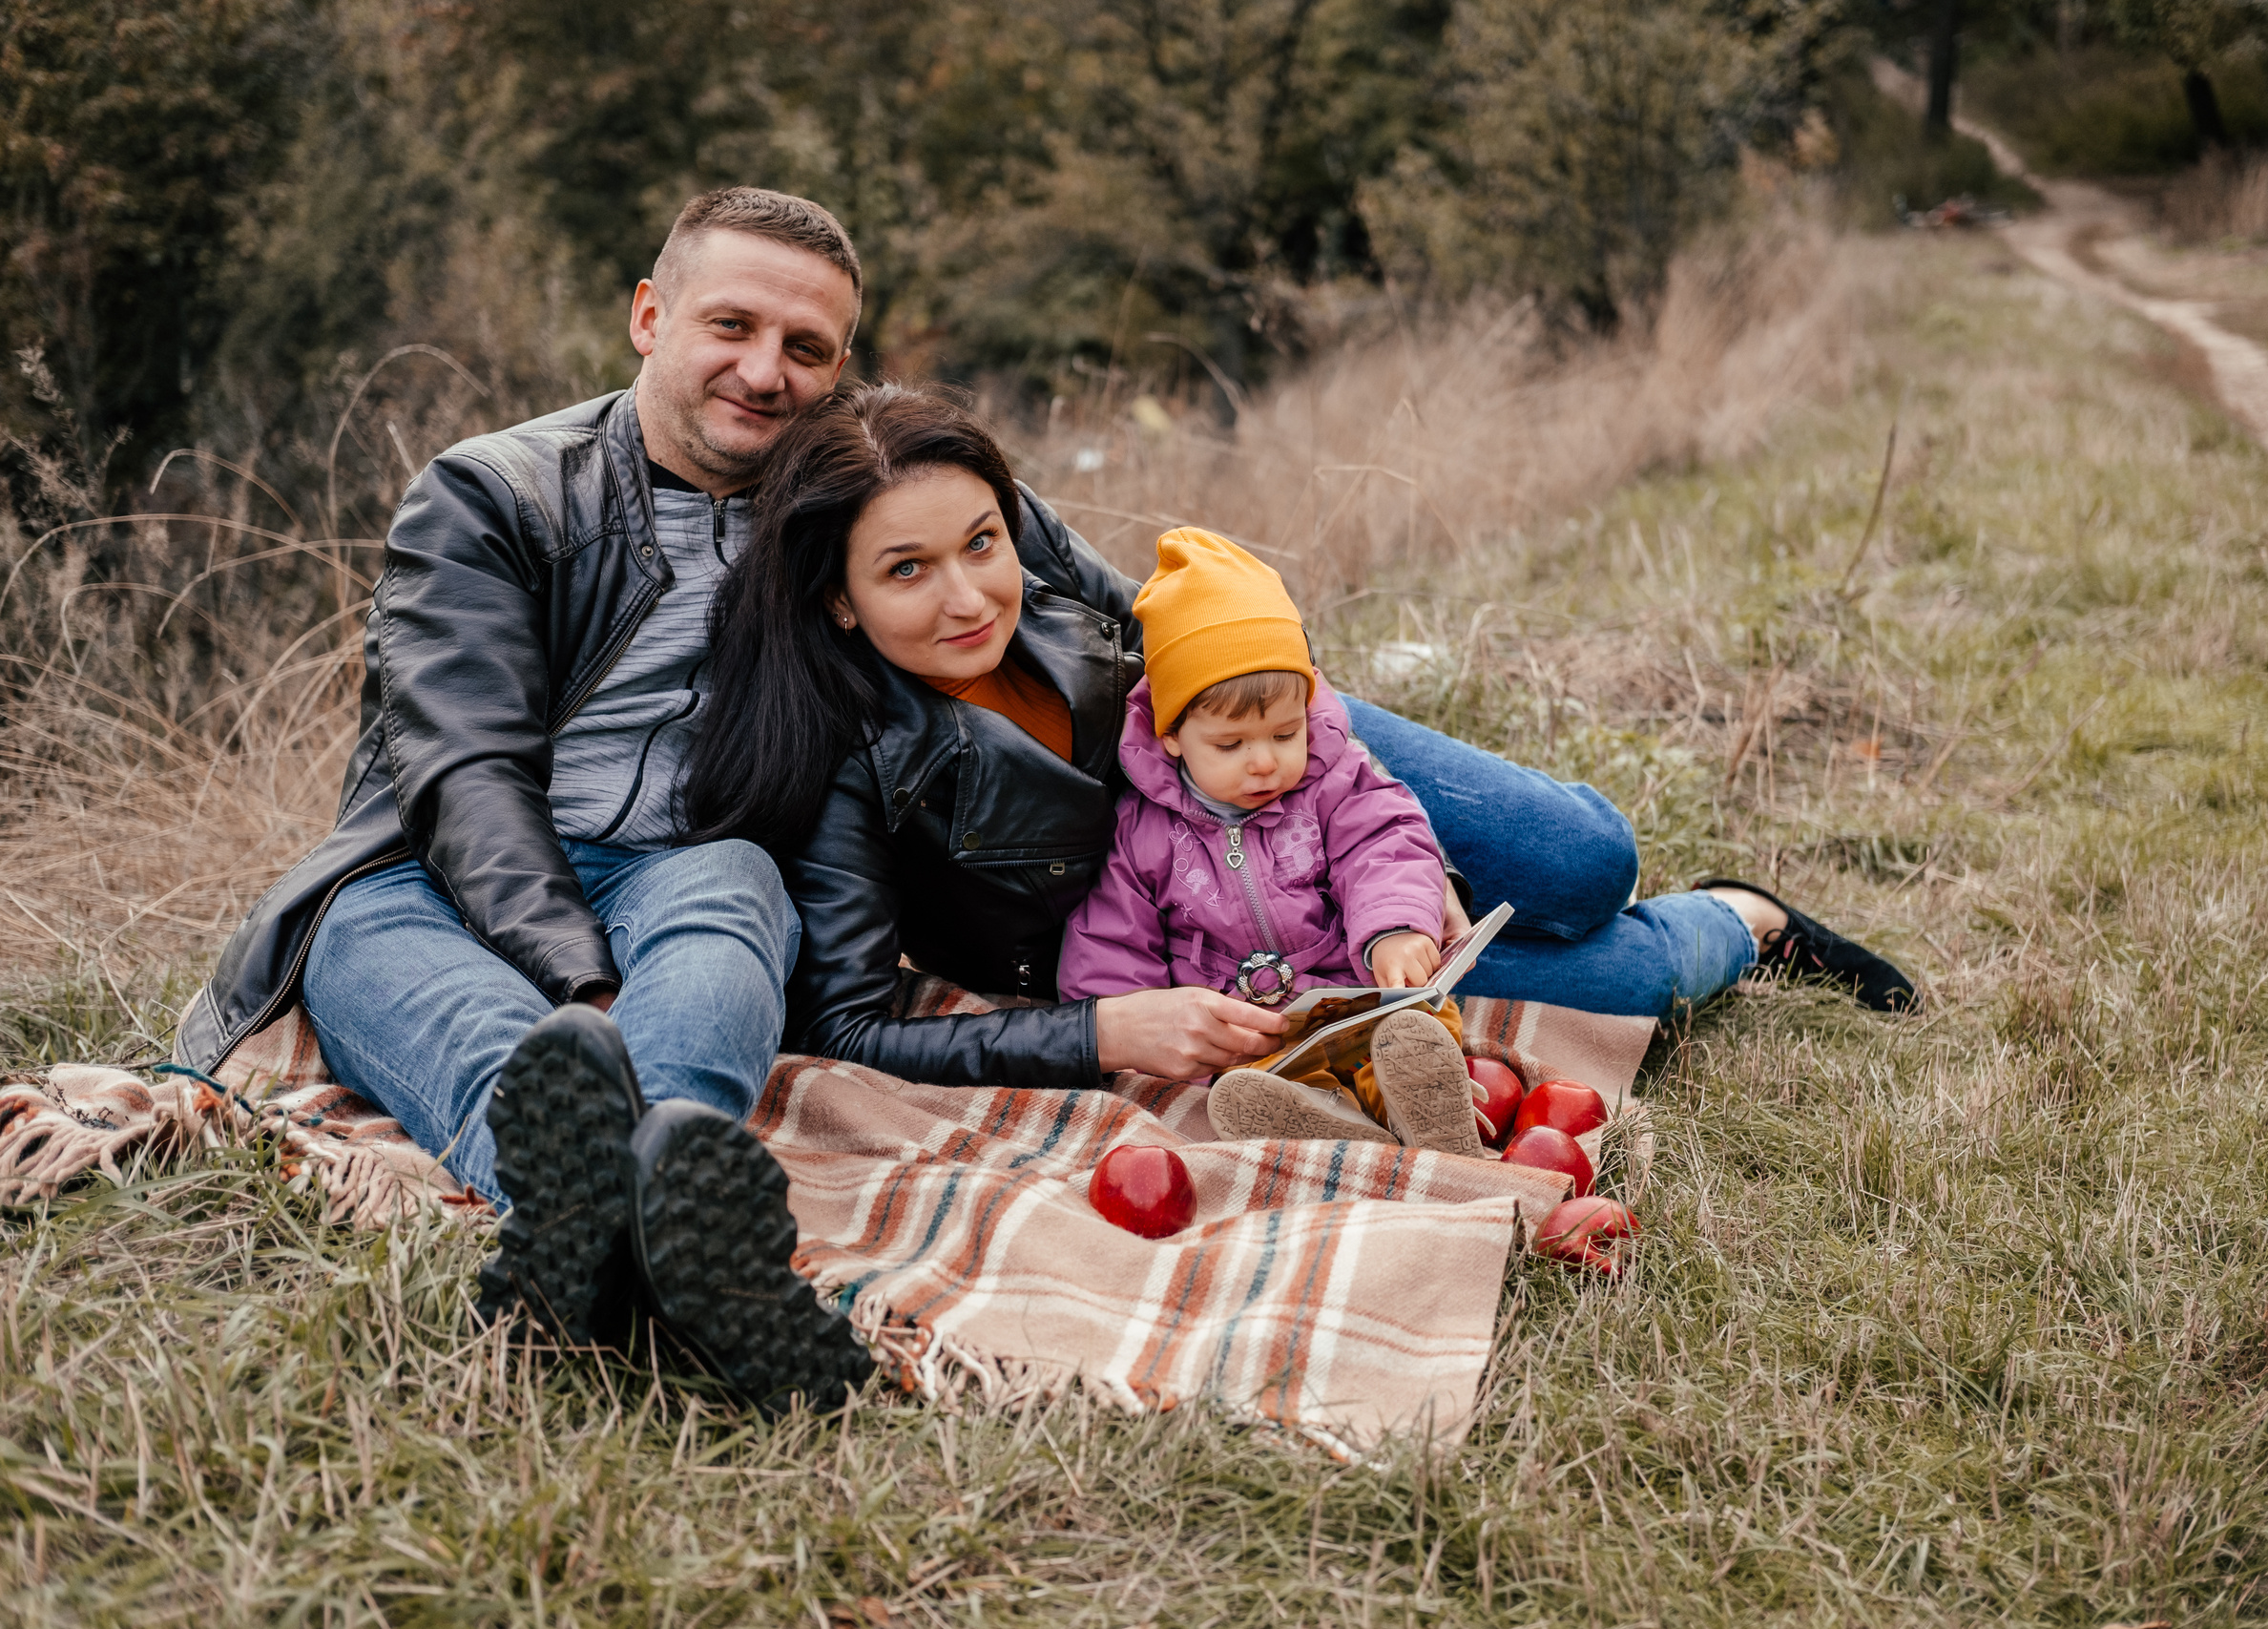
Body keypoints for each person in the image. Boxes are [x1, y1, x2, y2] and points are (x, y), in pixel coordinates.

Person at [683, 383, 1917, 1109]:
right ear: (837, 597)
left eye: (982, 542)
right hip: (1209, 927)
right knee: (1633, 980)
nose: (968, 597)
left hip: (1274, 751)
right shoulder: (843, 760)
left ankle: (1455, 890)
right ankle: (1749, 918)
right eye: (906, 570)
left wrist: (1380, 839)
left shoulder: (1050, 588)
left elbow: (1202, 626)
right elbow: (849, 1025)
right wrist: (1102, 1032)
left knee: (1586, 857)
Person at [170, 187, 876, 1411]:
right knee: (411, 966)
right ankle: (681, 1256)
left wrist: (1293, 703)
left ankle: (616, 1238)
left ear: (841, 367)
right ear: (650, 316)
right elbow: (462, 770)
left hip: (677, 867)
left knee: (737, 882)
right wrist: (585, 987)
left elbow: (1073, 597)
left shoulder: (846, 495)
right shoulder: (493, 493)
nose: (765, 373)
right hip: (429, 879)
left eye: (805, 348)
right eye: (732, 326)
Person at [1056, 527, 1485, 1154]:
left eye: (1285, 733)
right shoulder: (1142, 830)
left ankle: (1425, 1111)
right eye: (1231, 745)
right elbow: (1111, 945)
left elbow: (1384, 842)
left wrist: (1395, 927)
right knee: (1248, 1086)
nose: (1264, 763)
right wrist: (1130, 1038)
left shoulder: (1333, 778)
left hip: (1358, 1000)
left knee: (1414, 1026)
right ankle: (1323, 1124)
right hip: (1252, 1034)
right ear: (1172, 734)